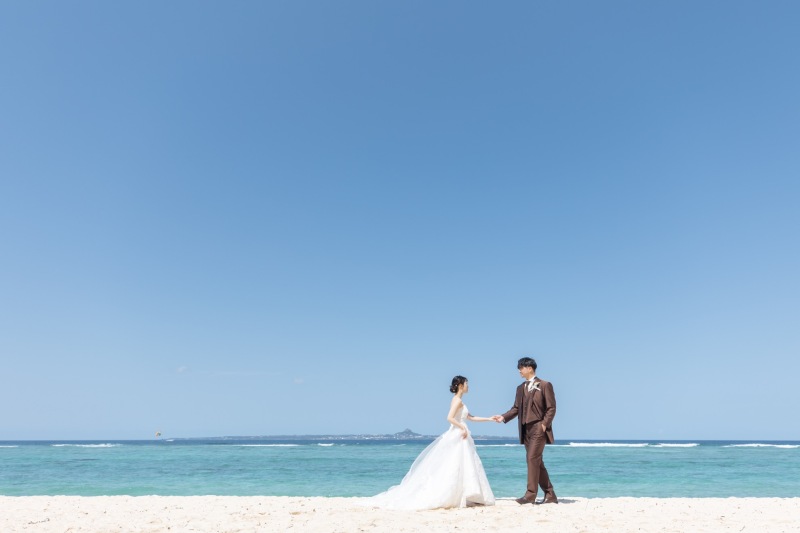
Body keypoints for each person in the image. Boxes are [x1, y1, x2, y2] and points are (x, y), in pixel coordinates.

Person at [364, 376, 496, 510]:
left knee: (462, 465)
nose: (469, 386)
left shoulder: (460, 401)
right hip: (458, 434)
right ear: (461, 385)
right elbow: (449, 418)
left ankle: (463, 494)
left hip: (460, 434)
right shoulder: (457, 401)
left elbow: (471, 417)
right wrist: (462, 428)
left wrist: (490, 419)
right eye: (467, 383)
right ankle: (453, 495)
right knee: (454, 465)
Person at [492, 357, 558, 505]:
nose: (519, 371)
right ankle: (550, 494)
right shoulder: (520, 388)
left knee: (532, 459)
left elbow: (551, 408)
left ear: (529, 368)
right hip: (525, 429)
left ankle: (530, 495)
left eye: (521, 368)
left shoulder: (545, 385)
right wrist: (503, 417)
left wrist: (544, 424)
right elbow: (516, 408)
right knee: (536, 461)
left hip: (538, 428)